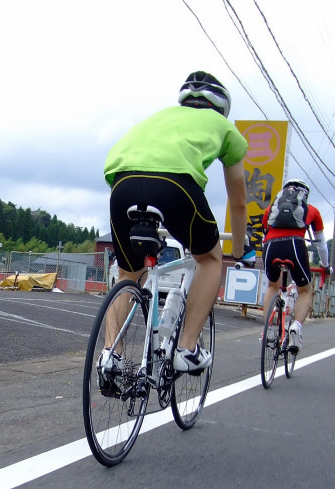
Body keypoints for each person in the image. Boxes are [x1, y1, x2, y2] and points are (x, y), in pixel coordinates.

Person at [103, 71, 253, 373]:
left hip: (123, 185)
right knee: (210, 258)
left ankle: (110, 355)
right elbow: (237, 201)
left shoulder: (160, 117)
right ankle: (186, 348)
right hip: (175, 186)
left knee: (129, 274)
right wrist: (239, 250)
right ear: (222, 108)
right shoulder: (224, 127)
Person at [261, 178, 329, 355]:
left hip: (270, 246)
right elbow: (321, 243)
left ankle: (268, 329)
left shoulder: (271, 209)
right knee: (304, 291)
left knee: (272, 285)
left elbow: (264, 233)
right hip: (295, 245)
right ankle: (296, 327)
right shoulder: (311, 210)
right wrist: (325, 265)